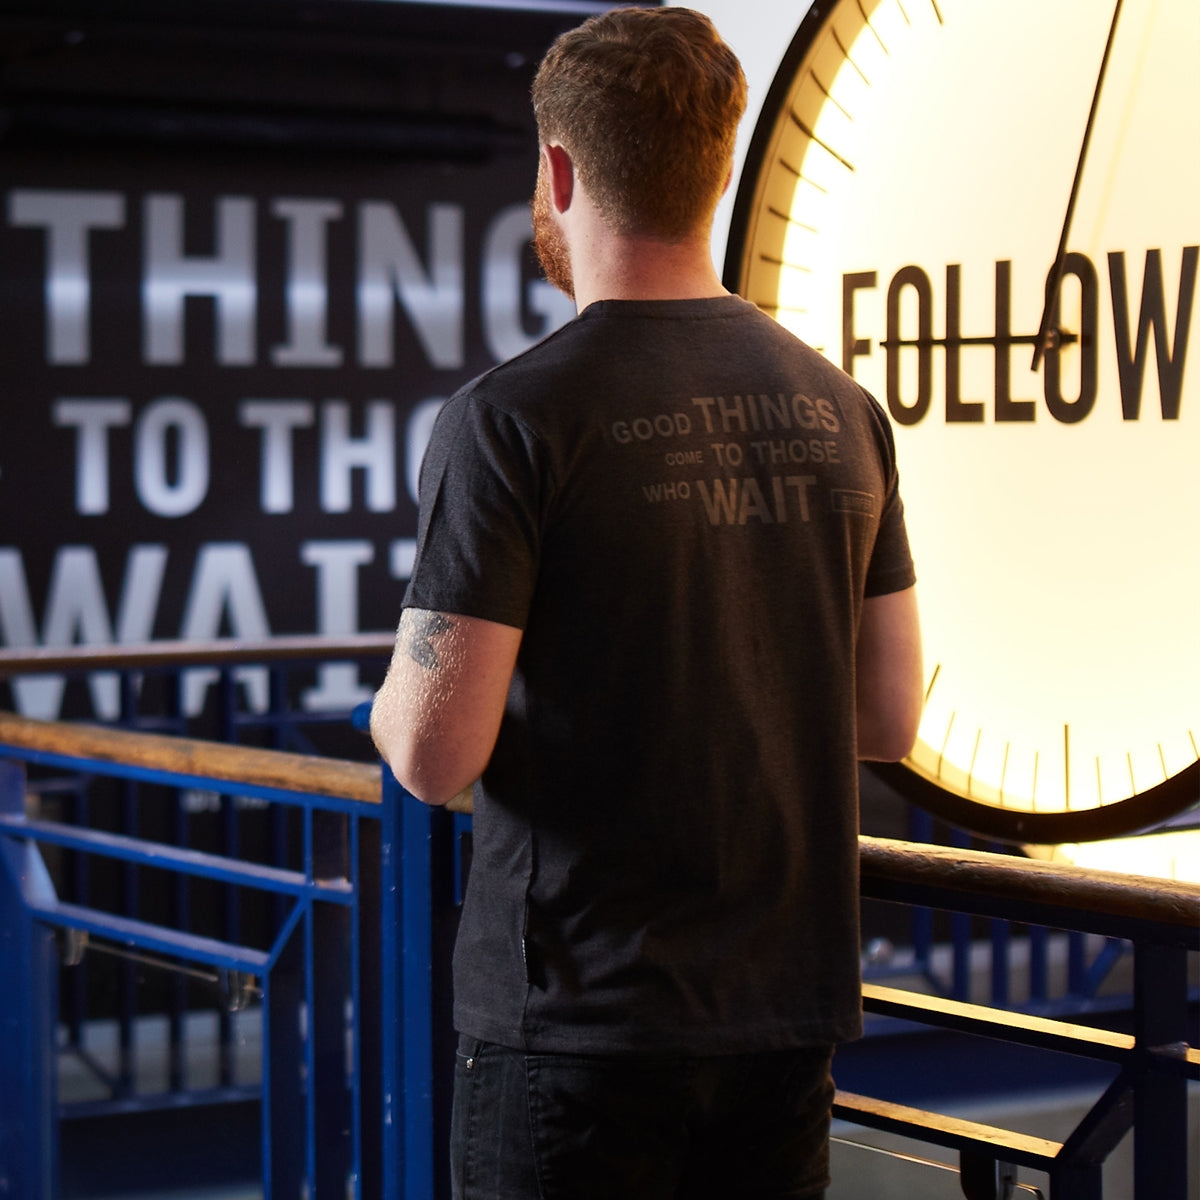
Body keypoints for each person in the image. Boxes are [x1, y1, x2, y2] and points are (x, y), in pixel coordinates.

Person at [370, 7, 923, 1198]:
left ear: (559, 172)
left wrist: (398, 696)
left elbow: (429, 749)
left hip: (580, 1032)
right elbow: (887, 718)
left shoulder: (510, 420)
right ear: (718, 173)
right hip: (785, 1019)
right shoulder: (842, 409)